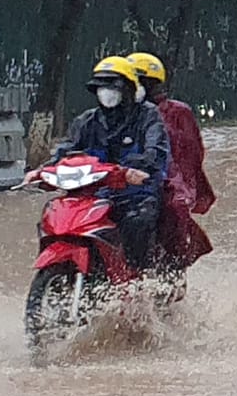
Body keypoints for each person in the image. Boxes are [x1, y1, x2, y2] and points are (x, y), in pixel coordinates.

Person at [46, 56, 171, 272]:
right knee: (55, 213)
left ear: (129, 90)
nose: (107, 93)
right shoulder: (87, 121)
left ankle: (138, 276)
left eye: (113, 87)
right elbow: (66, 150)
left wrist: (138, 167)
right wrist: (43, 171)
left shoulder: (148, 116)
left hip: (136, 194)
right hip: (95, 193)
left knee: (137, 222)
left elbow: (157, 152)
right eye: (102, 88)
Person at [127, 51, 214, 272]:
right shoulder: (120, 113)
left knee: (174, 207)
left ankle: (170, 268)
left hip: (168, 179)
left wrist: (175, 178)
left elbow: (191, 152)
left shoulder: (178, 112)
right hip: (126, 177)